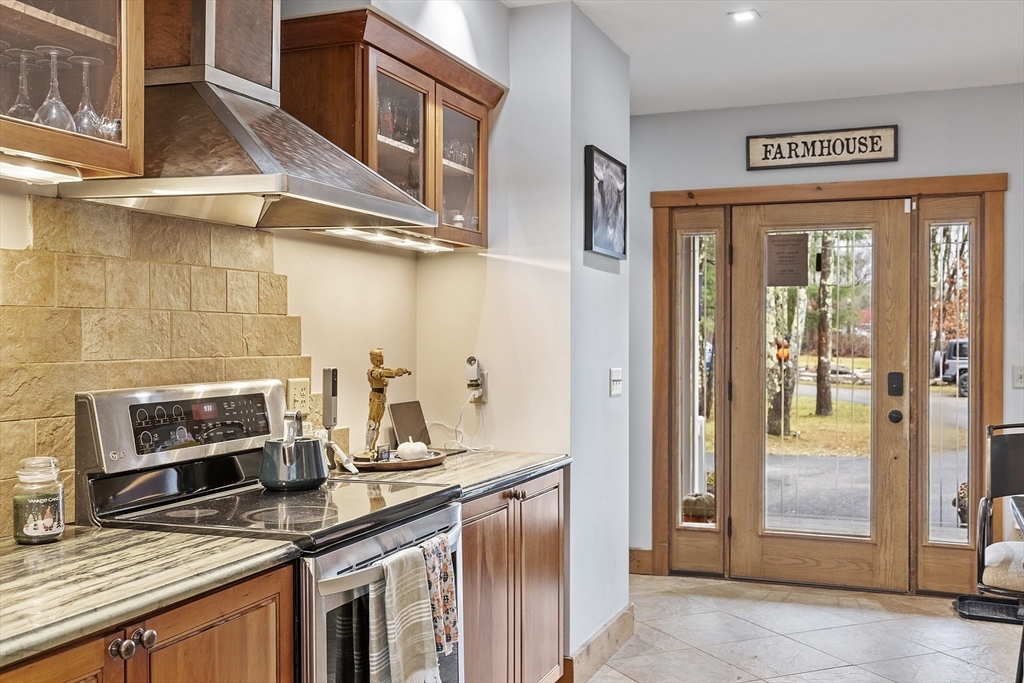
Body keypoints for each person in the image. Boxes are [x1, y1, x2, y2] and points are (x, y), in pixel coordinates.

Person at [363, 348, 411, 456]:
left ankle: (373, 448)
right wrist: (401, 371)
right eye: (380, 356)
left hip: (381, 398)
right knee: (372, 424)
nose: (382, 358)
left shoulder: (381, 371)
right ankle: (368, 448)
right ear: (375, 358)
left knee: (378, 424)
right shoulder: (373, 372)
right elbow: (389, 373)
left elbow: (388, 372)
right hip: (375, 397)